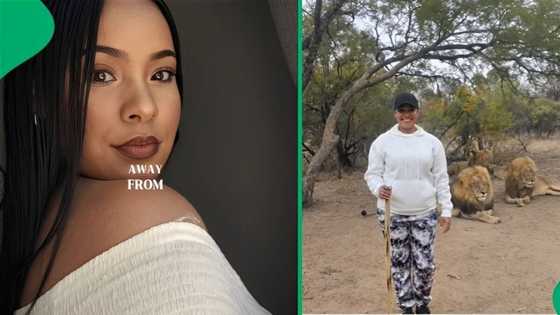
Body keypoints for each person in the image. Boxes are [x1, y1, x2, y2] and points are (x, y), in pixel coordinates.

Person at [0, 1, 270, 314]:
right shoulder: (148, 213)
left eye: (161, 74)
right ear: (40, 95)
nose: (145, 107)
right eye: (100, 75)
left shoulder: (40, 232)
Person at [364, 92, 452, 314]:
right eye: (401, 111)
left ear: (417, 112)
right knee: (400, 263)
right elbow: (372, 174)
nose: (406, 115)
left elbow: (441, 178)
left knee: (424, 266)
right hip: (393, 213)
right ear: (395, 114)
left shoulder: (432, 143)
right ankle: (406, 306)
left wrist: (447, 209)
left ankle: (422, 304)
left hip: (425, 212)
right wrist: (378, 188)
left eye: (410, 110)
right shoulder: (382, 142)